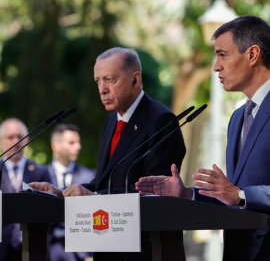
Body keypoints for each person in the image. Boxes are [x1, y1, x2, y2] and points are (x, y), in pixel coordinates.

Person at [30, 47, 186, 260]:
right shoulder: (111, 121)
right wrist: (62, 194)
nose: (102, 89)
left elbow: (157, 193)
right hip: (109, 246)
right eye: (97, 81)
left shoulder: (161, 120)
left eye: (110, 80)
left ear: (135, 79)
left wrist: (95, 198)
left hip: (147, 250)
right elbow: (104, 183)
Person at [136, 15, 270, 261]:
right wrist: (188, 194)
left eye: (222, 55)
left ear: (252, 55)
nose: (215, 66)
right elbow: (234, 198)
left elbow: (239, 195)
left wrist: (239, 195)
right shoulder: (238, 117)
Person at [0, 118, 51, 261]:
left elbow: (51, 210)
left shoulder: (41, 172)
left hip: (33, 248)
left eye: (19, 137)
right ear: (0, 141)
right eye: (10, 137)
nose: (16, 141)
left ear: (27, 139)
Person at [47, 124, 95, 261]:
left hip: (81, 253)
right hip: (47, 250)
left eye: (78, 142)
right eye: (71, 143)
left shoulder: (90, 177)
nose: (78, 146)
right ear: (56, 145)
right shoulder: (41, 174)